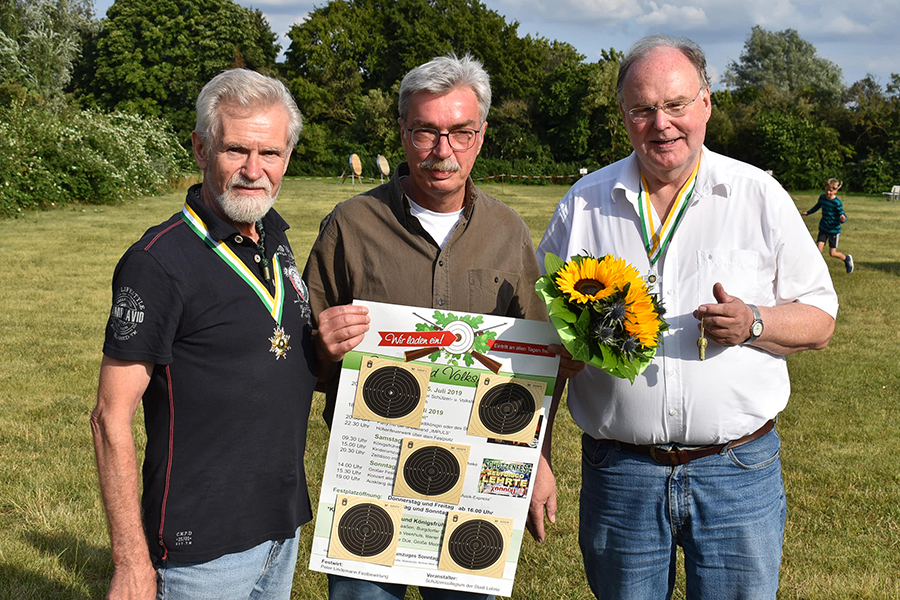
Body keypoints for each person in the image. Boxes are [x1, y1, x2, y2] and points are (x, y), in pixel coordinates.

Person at [530, 36, 839, 599]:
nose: (661, 124)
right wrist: (538, 454)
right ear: (624, 115)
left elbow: (820, 320)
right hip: (620, 474)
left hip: (736, 473)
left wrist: (755, 322)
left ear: (706, 103)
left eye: (676, 104)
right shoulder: (584, 202)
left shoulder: (758, 195)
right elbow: (539, 341)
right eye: (643, 109)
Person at [304, 53, 572, 600]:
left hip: (477, 483)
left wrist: (539, 459)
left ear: (481, 135)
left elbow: (539, 366)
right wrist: (322, 345)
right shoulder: (350, 225)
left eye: (460, 132)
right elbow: (303, 350)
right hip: (370, 473)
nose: (442, 150)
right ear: (403, 133)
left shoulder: (509, 232)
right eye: (425, 131)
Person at [90, 68, 316, 600]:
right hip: (200, 551)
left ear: (287, 157)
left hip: (281, 527)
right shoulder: (159, 262)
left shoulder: (274, 236)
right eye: (236, 150)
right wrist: (130, 561)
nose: (254, 171)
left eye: (270, 153)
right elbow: (109, 418)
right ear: (200, 148)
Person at [801, 178, 854, 273]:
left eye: (831, 191)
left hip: (833, 230)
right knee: (819, 249)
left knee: (832, 253)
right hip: (823, 228)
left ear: (836, 191)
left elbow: (842, 215)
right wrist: (808, 212)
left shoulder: (837, 203)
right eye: (827, 190)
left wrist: (843, 219)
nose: (828, 192)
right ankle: (815, 269)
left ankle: (846, 259)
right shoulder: (822, 198)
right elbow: (817, 206)